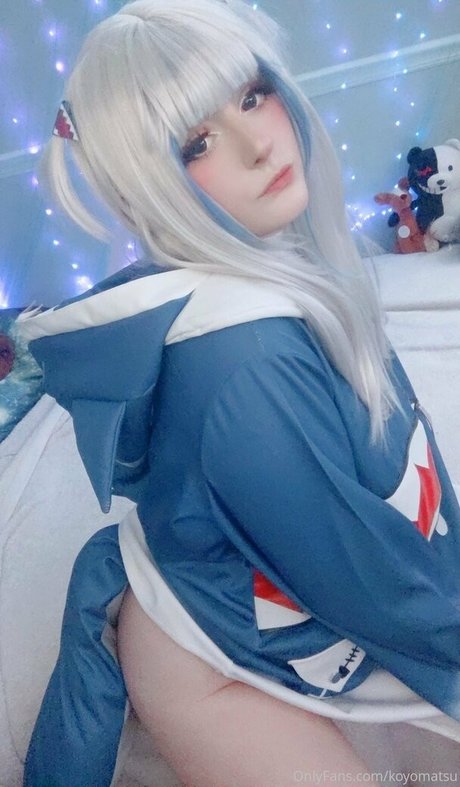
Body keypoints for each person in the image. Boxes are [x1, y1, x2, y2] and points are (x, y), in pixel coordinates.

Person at [19, 1, 460, 784]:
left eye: (252, 94)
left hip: (256, 582)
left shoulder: (281, 261)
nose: (258, 143)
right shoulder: (245, 371)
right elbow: (373, 586)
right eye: (196, 143)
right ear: (150, 188)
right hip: (203, 652)